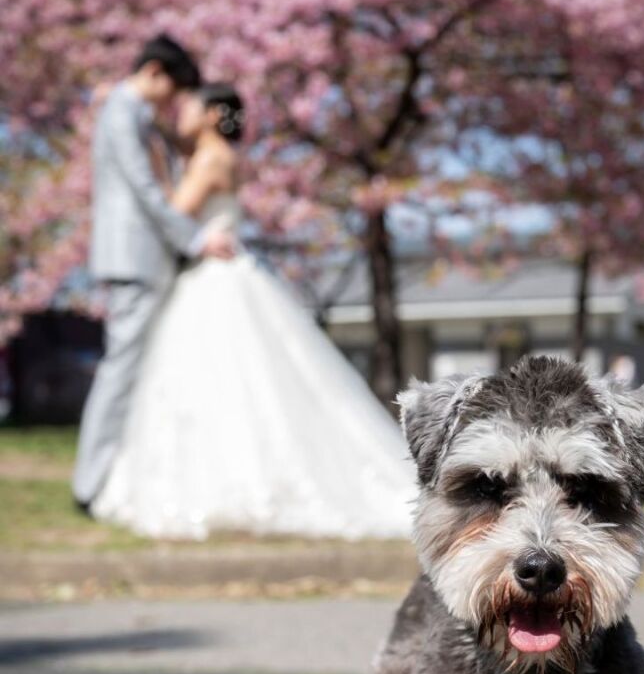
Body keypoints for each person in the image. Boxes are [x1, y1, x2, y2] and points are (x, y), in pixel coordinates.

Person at [91, 84, 415, 540]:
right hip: (222, 272)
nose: (181, 112)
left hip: (213, 278)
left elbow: (175, 212)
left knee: (216, 383)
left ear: (211, 115)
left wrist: (158, 170)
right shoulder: (215, 155)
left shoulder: (210, 158)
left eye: (191, 106)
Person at [72, 35, 236, 511]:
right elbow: (144, 187)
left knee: (133, 368)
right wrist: (194, 238)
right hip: (133, 257)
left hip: (144, 257)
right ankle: (90, 484)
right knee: (121, 370)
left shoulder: (133, 114)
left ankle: (104, 477)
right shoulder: (124, 113)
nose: (172, 103)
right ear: (154, 73)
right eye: (172, 91)